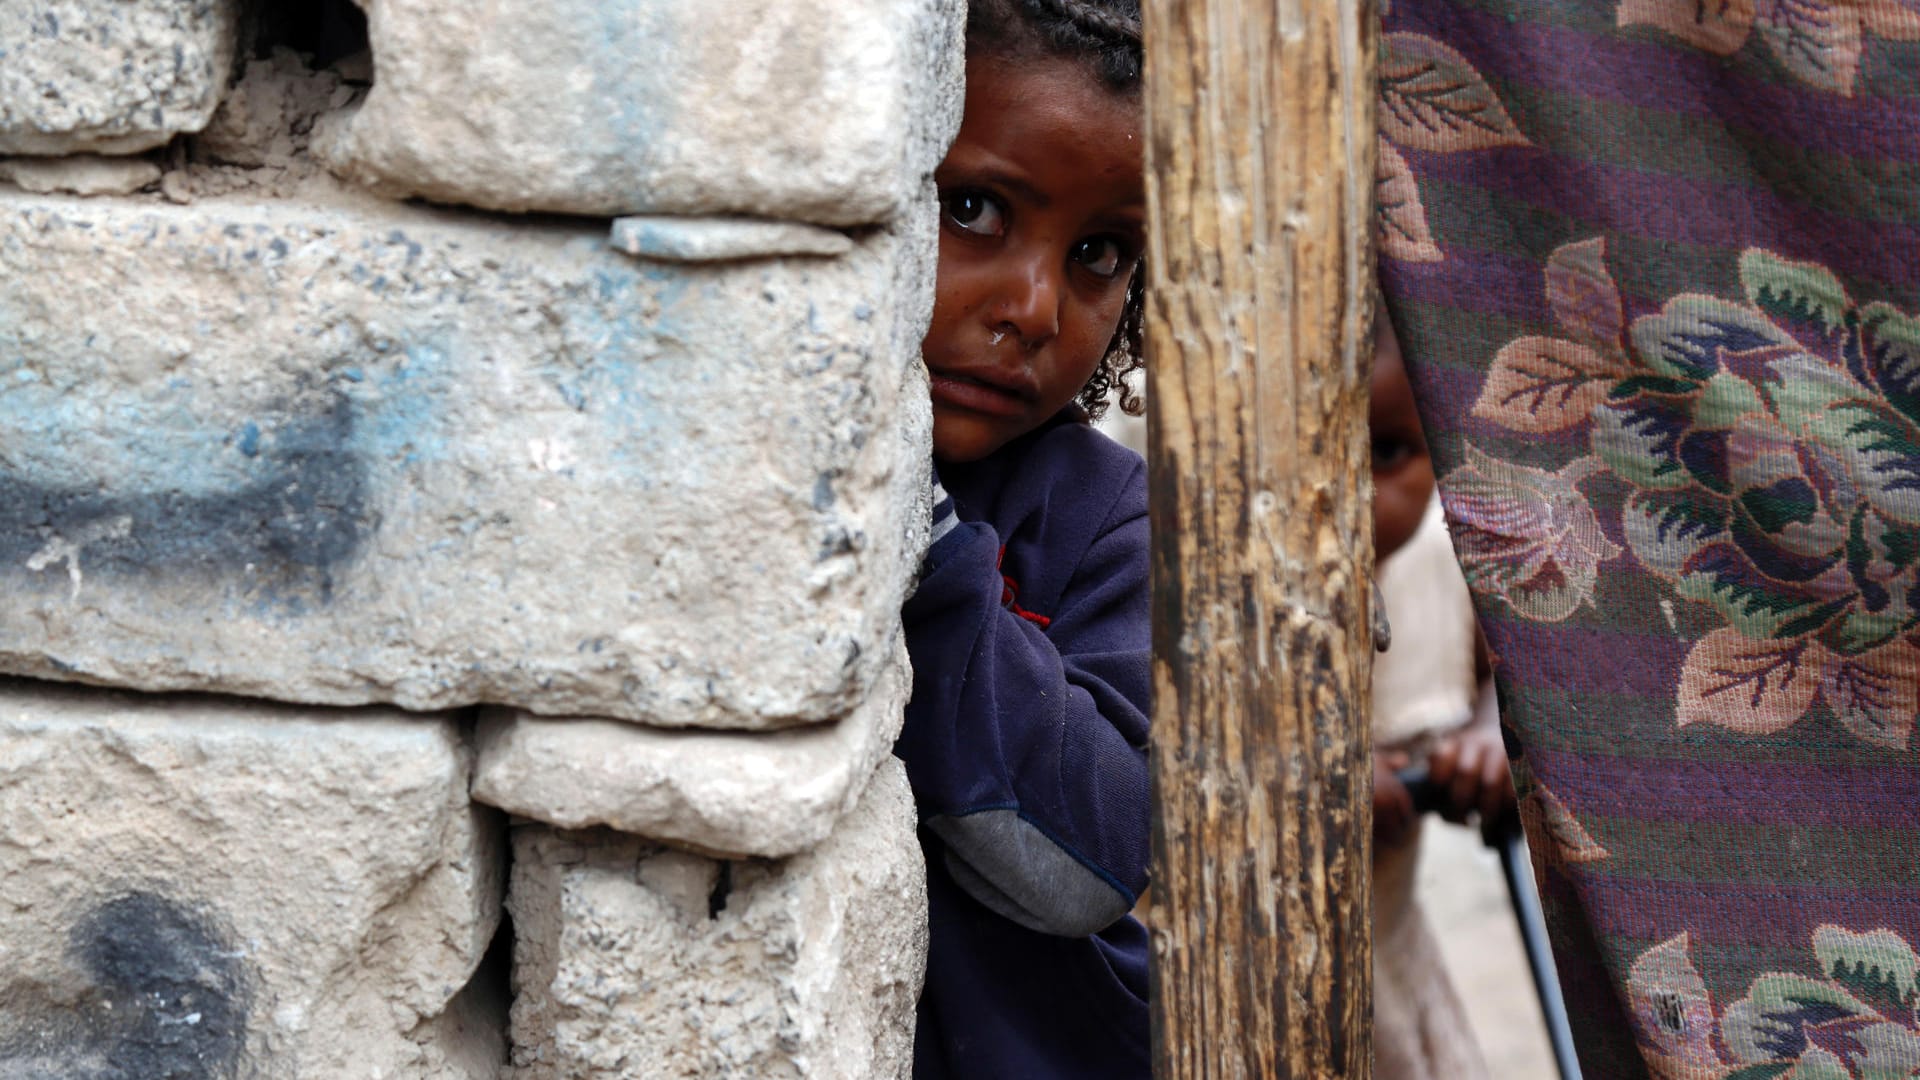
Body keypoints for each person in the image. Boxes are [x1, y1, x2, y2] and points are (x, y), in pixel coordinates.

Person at [892, 2, 1151, 1077]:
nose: (1038, 309)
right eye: (976, 208)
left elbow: (1083, 867)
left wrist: (932, 546)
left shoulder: (1099, 515)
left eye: (1098, 252)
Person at [1367, 310, 1513, 1079]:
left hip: (1388, 979)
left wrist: (1491, 738)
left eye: (1387, 452)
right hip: (1211, 987)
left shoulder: (1439, 573)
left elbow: (1508, 686)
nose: (1350, 497)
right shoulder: (1187, 594)